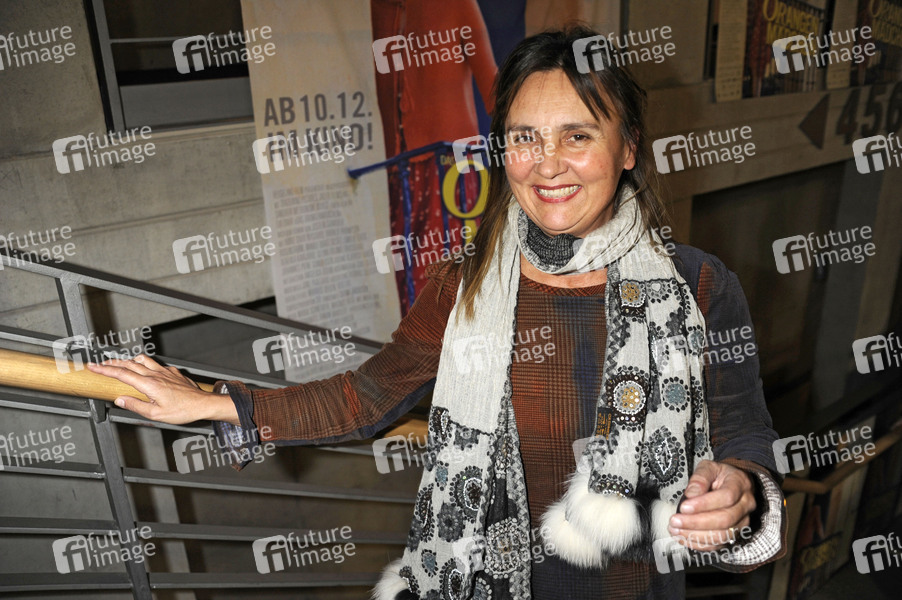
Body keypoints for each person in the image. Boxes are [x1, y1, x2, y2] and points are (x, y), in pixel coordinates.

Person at [90, 25, 786, 600]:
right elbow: (367, 396)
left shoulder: (699, 286)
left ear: (628, 147)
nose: (547, 164)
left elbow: (744, 429)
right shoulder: (466, 286)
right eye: (524, 137)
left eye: (577, 136)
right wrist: (214, 403)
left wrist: (741, 486)